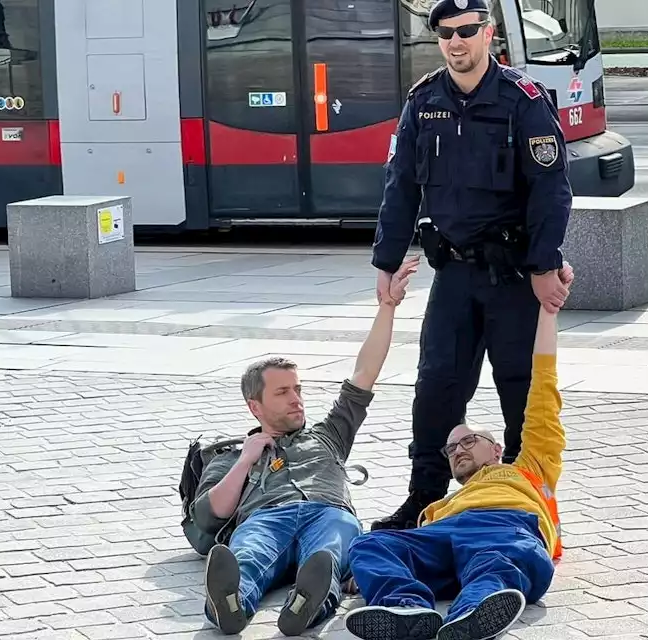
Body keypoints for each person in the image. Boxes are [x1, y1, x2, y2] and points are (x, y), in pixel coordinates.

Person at [369, 0, 574, 532]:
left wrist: (544, 264)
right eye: (445, 34)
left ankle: (528, 500)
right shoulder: (424, 100)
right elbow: (401, 186)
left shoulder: (523, 100)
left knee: (521, 390)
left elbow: (551, 189)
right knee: (436, 388)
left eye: (465, 32)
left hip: (512, 278)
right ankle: (423, 497)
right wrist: (388, 261)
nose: (455, 43)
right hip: (454, 276)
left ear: (488, 34)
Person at [189, 257, 420, 636]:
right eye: (283, 392)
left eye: (298, 389)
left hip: (328, 512)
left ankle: (306, 604)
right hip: (266, 517)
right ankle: (229, 604)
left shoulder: (329, 434)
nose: (297, 399)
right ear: (255, 406)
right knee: (248, 555)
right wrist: (247, 459)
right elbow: (208, 516)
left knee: (326, 553)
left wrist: (387, 306)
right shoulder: (229, 455)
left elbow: (365, 373)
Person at [342, 266, 571, 640]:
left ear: (497, 449)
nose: (458, 449)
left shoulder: (527, 469)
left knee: (495, 561)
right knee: (371, 545)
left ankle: (475, 613)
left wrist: (548, 312)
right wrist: (373, 572)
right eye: (451, 449)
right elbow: (402, 550)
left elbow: (543, 389)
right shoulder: (443, 505)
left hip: (504, 527)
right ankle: (406, 609)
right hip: (443, 536)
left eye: (469, 440)